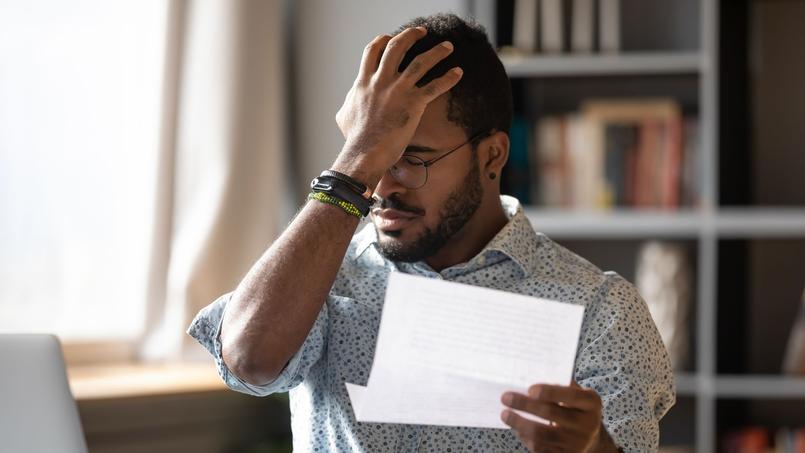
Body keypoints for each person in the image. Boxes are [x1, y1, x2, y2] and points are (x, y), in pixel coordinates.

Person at [188, 13, 675, 452]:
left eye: (412, 160)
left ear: (492, 156)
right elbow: (248, 361)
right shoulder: (321, 277)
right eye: (372, 156)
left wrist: (595, 450)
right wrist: (355, 160)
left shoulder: (600, 310)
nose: (380, 187)